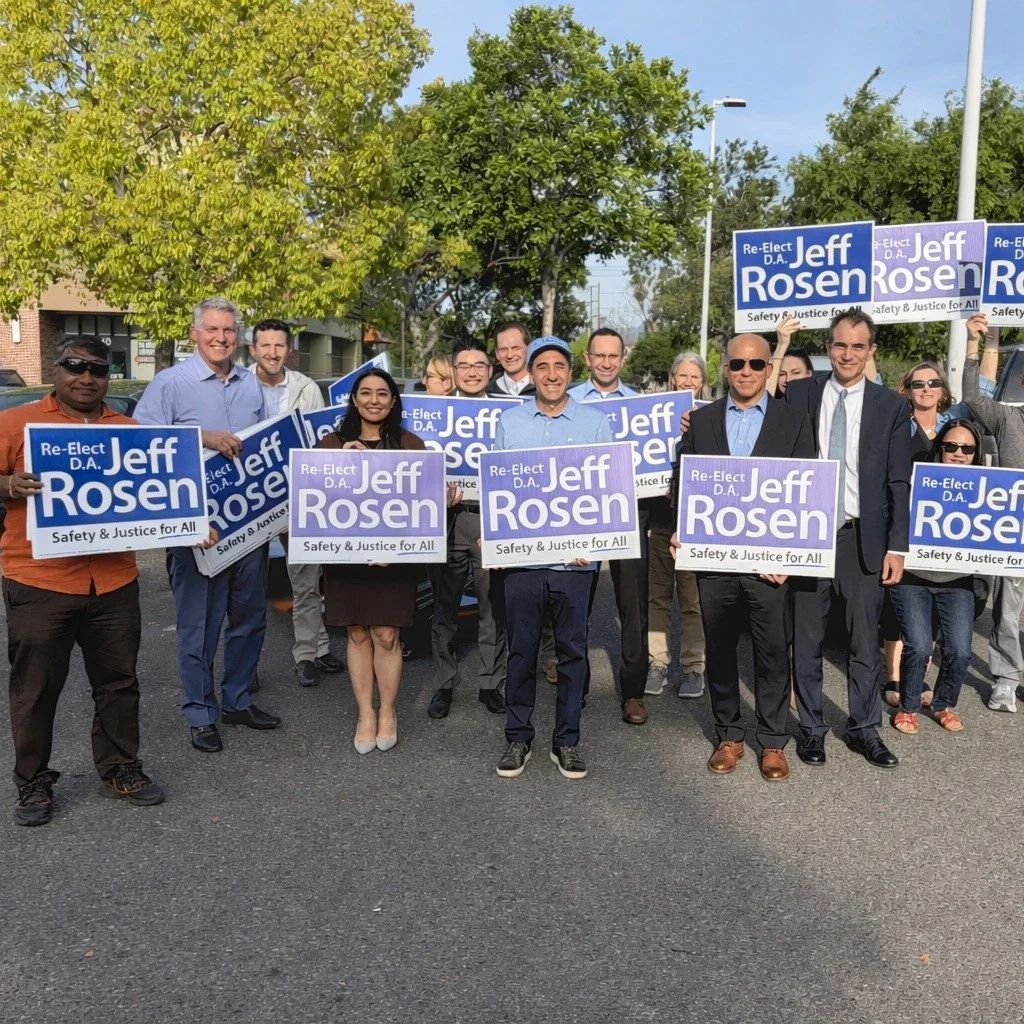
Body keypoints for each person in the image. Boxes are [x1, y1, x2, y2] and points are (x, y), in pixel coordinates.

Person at [2, 339, 164, 825]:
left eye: (98, 369)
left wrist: (190, 524)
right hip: (40, 579)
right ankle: (32, 780)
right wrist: (9, 485)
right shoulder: (17, 423)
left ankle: (120, 767)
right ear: (55, 370)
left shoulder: (130, 432)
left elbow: (160, 494)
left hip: (114, 581)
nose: (86, 377)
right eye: (74, 366)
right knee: (35, 688)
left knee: (119, 683)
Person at [134, 297, 282, 753]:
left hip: (247, 524)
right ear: (195, 334)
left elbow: (263, 448)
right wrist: (203, 437)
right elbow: (142, 444)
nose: (221, 338)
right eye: (213, 330)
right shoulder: (170, 383)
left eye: (229, 330)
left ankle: (237, 700)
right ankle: (200, 713)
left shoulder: (249, 383)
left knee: (250, 619)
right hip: (196, 528)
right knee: (199, 628)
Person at [671, 334, 815, 781]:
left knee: (771, 652)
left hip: (769, 564)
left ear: (769, 369)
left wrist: (793, 555)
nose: (746, 372)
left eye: (755, 364)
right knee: (719, 650)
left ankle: (772, 740)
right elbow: (684, 479)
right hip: (715, 560)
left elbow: (806, 487)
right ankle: (729, 734)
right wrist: (682, 527)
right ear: (726, 369)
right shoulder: (702, 421)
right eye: (737, 364)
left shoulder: (795, 421)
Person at [785, 308, 911, 769]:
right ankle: (811, 729)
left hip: (862, 539)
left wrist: (897, 546)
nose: (848, 354)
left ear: (871, 351)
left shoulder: (891, 405)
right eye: (840, 344)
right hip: (809, 535)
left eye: (858, 346)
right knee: (808, 640)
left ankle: (863, 729)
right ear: (828, 347)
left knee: (863, 642)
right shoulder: (800, 392)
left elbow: (898, 480)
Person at [494, 336, 612, 780]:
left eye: (559, 366)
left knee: (572, 653)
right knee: (522, 652)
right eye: (541, 366)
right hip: (522, 563)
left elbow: (607, 491)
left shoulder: (595, 423)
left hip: (575, 564)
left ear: (570, 372)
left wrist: (595, 545)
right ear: (531, 373)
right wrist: (498, 540)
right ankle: (518, 737)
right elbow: (498, 486)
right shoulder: (509, 422)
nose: (551, 374)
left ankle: (567, 742)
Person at [318, 369, 427, 752]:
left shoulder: (410, 444)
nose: (374, 400)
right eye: (366, 393)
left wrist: (395, 547)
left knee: (386, 634)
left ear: (394, 401)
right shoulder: (330, 444)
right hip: (346, 559)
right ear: (354, 399)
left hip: (392, 561)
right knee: (357, 633)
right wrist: (339, 462)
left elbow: (422, 505)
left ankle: (388, 712)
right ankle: (365, 712)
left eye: (382, 393)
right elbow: (313, 496)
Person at [249, 318, 344, 688]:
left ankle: (310, 652)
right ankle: (244, 669)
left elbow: (318, 446)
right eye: (266, 345)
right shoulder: (238, 387)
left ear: (289, 350)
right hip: (250, 502)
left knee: (306, 583)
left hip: (298, 500)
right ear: (253, 349)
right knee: (245, 591)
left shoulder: (307, 388)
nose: (273, 352)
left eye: (279, 345)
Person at [570, 328, 651, 725]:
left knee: (633, 607)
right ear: (587, 358)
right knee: (575, 606)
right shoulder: (569, 402)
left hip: (629, 514)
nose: (606, 363)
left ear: (623, 359)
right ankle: (575, 687)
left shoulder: (643, 407)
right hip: (579, 515)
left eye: (613, 356)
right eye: (599, 355)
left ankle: (633, 692)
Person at [880, 361, 973, 705]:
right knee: (897, 606)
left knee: (931, 612)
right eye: (918, 384)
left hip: (942, 532)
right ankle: (893, 674)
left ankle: (917, 675)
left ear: (943, 390)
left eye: (933, 383)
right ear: (906, 390)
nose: (926, 389)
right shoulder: (896, 426)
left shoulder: (954, 431)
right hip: (902, 524)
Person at [426, 338, 507, 720]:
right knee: (444, 606)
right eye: (464, 366)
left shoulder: (508, 414)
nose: (472, 372)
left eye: (479, 366)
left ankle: (491, 684)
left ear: (489, 371)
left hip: (490, 519)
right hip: (447, 519)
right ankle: (444, 684)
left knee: (492, 607)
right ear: (453, 372)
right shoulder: (433, 414)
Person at [890, 419, 986, 735]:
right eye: (951, 446)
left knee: (960, 650)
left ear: (976, 453)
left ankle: (942, 704)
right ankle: (908, 707)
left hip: (958, 580)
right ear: (940, 447)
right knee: (918, 646)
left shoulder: (988, 490)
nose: (959, 453)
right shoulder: (916, 478)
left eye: (967, 448)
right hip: (913, 575)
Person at [962, 313, 1024, 713]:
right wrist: (976, 343)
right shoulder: (1007, 417)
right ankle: (1006, 680)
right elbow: (972, 396)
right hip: (1012, 531)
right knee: (1007, 610)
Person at [647, 351, 708, 700]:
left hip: (694, 525)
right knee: (657, 598)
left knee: (691, 600)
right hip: (659, 520)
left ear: (703, 382)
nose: (687, 381)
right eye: (682, 375)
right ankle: (657, 664)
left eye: (694, 376)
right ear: (672, 379)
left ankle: (693, 668)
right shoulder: (652, 416)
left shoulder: (712, 417)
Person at [485, 321, 536, 397]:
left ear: (529, 348)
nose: (509, 355)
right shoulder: (487, 391)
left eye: (515, 348)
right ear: (496, 353)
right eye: (503, 349)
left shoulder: (545, 387)